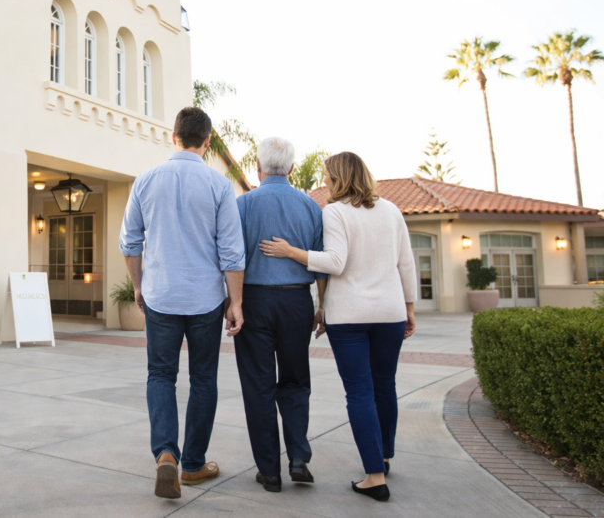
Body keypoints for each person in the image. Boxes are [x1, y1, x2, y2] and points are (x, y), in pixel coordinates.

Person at [261, 151, 416, 503]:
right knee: (384, 386)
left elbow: (335, 262)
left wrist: (291, 252)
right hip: (390, 313)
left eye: (328, 176)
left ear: (340, 178)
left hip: (350, 318)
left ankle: (374, 477)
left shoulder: (335, 211)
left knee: (360, 392)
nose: (326, 181)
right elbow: (406, 263)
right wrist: (408, 307)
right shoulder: (391, 210)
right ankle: (384, 456)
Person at [120, 106, 246, 500]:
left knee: (161, 375)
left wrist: (139, 287)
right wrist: (236, 302)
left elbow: (129, 243)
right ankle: (192, 464)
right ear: (207, 142)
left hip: (160, 296)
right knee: (203, 379)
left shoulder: (145, 181)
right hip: (206, 298)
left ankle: (165, 456)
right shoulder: (220, 185)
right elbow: (232, 253)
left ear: (172, 136)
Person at [234, 137, 327, 493]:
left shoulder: (243, 204)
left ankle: (269, 471)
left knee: (258, 385)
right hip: (296, 303)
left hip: (254, 300)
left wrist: (234, 302)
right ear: (290, 168)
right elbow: (320, 263)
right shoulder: (310, 206)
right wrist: (322, 305)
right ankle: (299, 457)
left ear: (257, 168)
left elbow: (234, 258)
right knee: (295, 379)